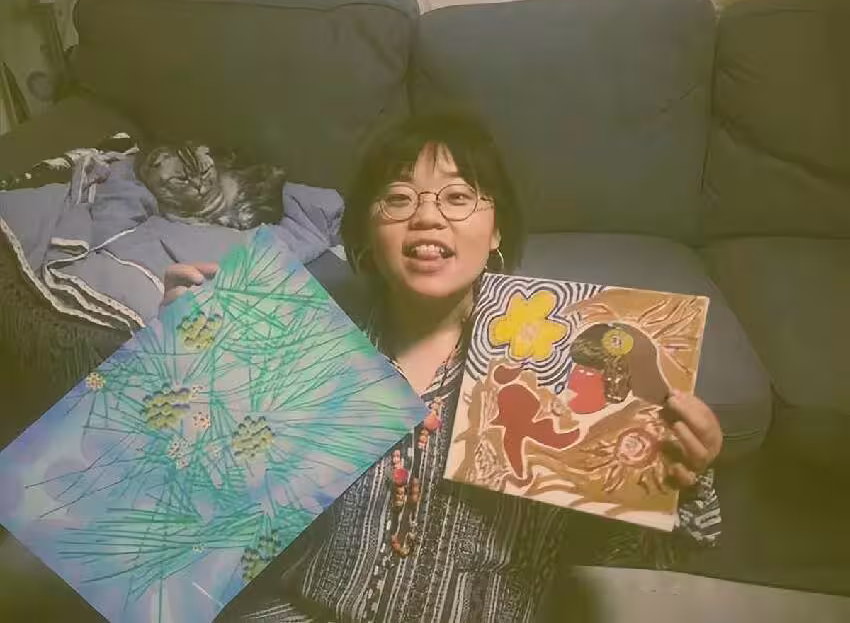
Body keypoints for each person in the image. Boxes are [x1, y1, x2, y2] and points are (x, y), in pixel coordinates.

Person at [163, 113, 723, 622]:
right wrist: (181, 363)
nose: (428, 217)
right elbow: (205, 509)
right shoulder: (308, 348)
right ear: (367, 233)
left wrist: (681, 475)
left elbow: (627, 555)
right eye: (397, 198)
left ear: (497, 229)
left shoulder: (558, 366)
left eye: (458, 197)